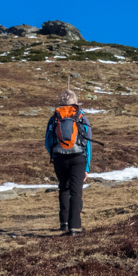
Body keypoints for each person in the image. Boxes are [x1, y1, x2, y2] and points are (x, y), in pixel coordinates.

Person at [45, 90, 92, 235]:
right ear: (75, 102)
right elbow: (88, 143)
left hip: (59, 157)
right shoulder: (82, 117)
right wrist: (87, 166)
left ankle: (63, 223)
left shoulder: (54, 118)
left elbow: (48, 141)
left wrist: (53, 155)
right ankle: (75, 227)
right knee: (76, 191)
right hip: (78, 158)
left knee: (63, 187)